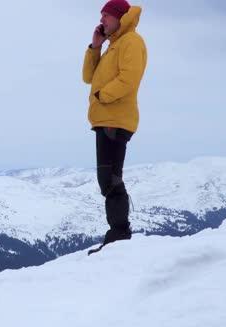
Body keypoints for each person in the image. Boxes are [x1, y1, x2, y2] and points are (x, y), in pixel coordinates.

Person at [82, 1, 147, 254]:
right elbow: (88, 77)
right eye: (102, 16)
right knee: (106, 179)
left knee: (110, 178)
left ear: (121, 17)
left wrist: (102, 96)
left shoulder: (132, 41)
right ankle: (118, 234)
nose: (102, 20)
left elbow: (129, 78)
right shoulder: (112, 46)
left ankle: (119, 234)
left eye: (107, 15)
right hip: (104, 119)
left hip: (115, 119)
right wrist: (95, 47)